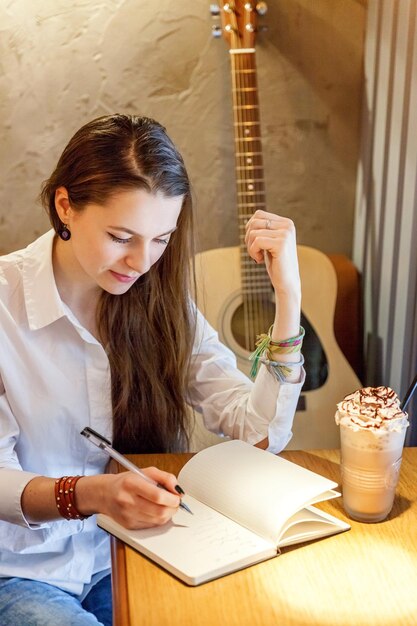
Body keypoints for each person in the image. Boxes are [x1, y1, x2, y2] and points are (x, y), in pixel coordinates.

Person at [0, 114, 304, 625]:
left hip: (130, 553)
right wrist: (90, 493)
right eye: (121, 236)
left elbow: (259, 434)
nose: (142, 262)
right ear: (65, 205)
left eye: (161, 240)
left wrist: (288, 298)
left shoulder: (158, 302)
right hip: (21, 568)